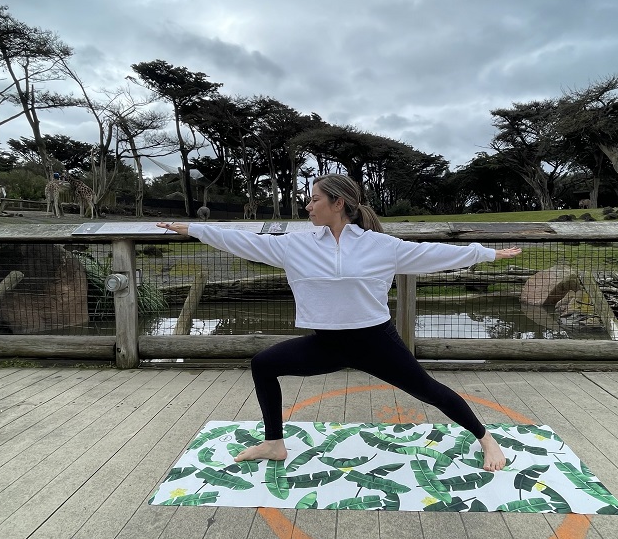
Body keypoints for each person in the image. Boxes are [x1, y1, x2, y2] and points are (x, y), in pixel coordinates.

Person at [157, 174, 522, 471]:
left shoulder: (380, 246)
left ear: (338, 203)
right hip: (326, 343)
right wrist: (193, 229)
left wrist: (488, 253)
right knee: (263, 364)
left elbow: (434, 254)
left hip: (375, 343)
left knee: (430, 391)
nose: (307, 206)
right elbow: (243, 241)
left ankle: (485, 438)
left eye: (314, 199)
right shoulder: (295, 245)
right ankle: (274, 444)